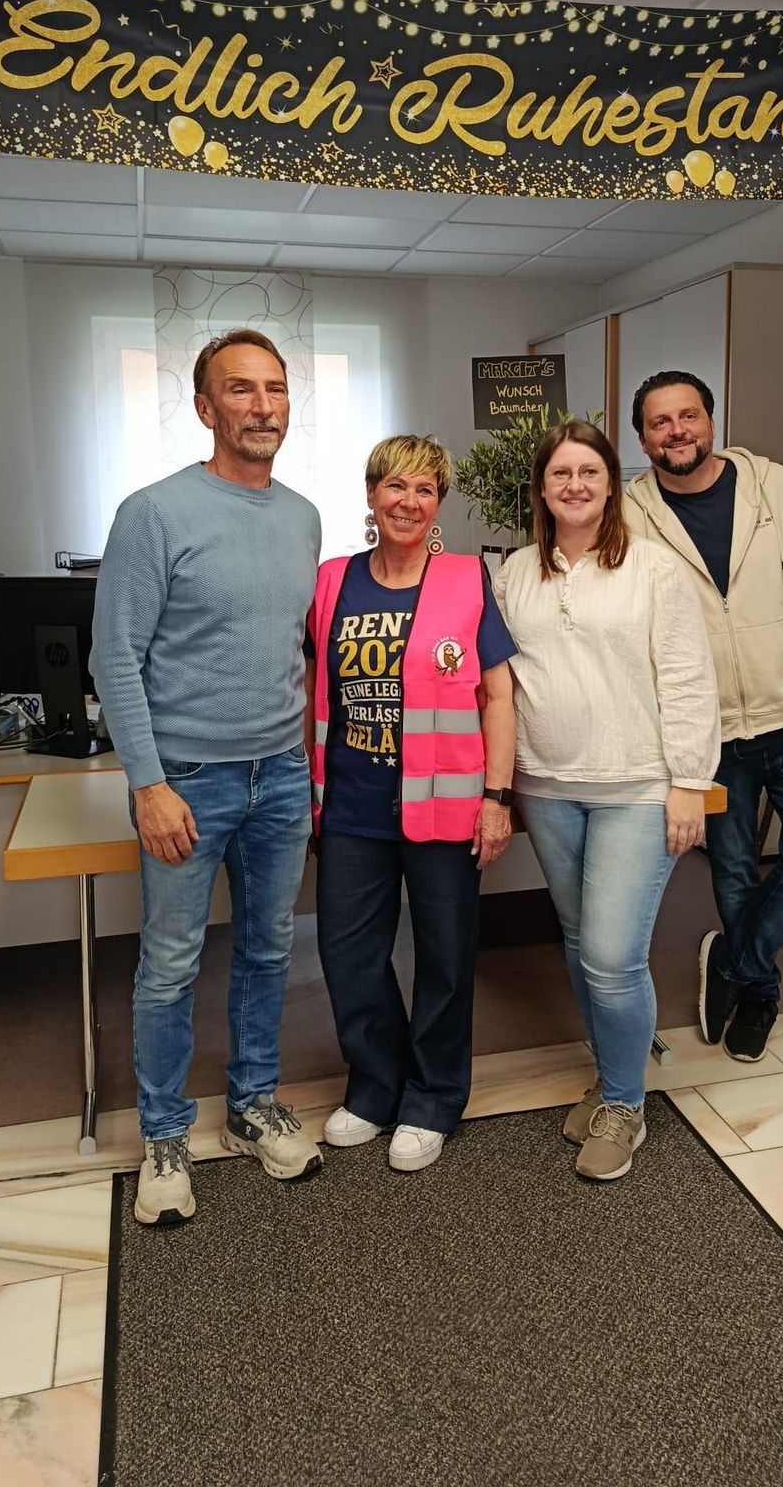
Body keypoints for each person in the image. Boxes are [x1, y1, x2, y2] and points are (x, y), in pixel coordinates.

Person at [92, 327, 323, 1228]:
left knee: (269, 951)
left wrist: (303, 767)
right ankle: (163, 1134)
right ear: (204, 407)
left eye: (274, 390)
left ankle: (253, 1106)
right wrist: (147, 783)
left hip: (280, 778)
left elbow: (292, 652)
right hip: (188, 780)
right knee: (171, 966)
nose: (262, 406)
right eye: (241, 390)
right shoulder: (154, 513)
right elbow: (115, 657)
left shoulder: (303, 516)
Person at [624, 371, 783, 1063]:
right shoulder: (631, 515)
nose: (677, 431)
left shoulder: (777, 490)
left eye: (689, 416)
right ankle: (760, 994)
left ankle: (732, 959)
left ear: (711, 420)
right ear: (641, 438)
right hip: (708, 740)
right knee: (731, 868)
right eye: (660, 422)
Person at [495, 420, 719, 1181]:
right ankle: (608, 1075)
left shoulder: (655, 571)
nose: (575, 485)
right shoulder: (515, 572)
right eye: (561, 473)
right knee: (578, 938)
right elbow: (499, 680)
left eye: (589, 471)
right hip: (549, 787)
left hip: (636, 788)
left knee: (612, 956)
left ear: (611, 482)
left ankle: (625, 1103)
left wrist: (689, 781)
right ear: (542, 488)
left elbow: (689, 678)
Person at [306, 435, 517, 1173]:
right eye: (395, 486)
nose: (408, 502)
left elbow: (498, 696)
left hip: (447, 804)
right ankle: (373, 1086)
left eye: (425, 490)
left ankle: (432, 1099)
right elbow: (309, 692)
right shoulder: (332, 582)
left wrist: (498, 797)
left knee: (446, 958)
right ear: (371, 495)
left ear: (439, 504)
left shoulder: (466, 579)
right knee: (348, 954)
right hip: (353, 806)